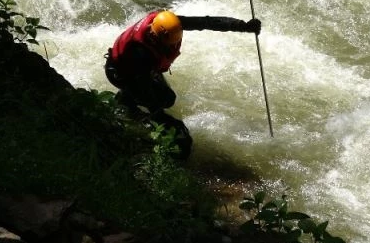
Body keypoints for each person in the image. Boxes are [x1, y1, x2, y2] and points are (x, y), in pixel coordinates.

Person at [104, 10, 261, 158]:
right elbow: (148, 95)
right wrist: (168, 123)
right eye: (168, 45)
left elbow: (205, 22)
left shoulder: (166, 22)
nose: (172, 47)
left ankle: (126, 100)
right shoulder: (140, 53)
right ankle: (126, 107)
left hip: (141, 70)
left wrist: (243, 26)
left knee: (168, 98)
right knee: (155, 104)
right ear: (155, 36)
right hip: (122, 73)